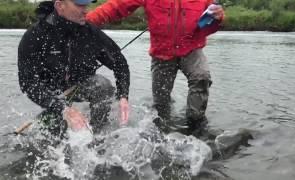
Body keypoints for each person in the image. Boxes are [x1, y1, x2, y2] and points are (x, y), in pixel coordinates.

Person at [85, 0, 224, 137]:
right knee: (160, 106)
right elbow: (117, 6)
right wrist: (85, 21)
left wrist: (218, 19)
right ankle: (163, 131)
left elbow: (208, 27)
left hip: (192, 49)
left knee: (201, 76)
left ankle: (195, 123)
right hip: (162, 54)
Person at [18, 0, 130, 137]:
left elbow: (120, 63)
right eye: (80, 5)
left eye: (86, 5)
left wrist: (123, 96)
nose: (86, 10)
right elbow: (27, 83)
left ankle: (97, 135)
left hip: (79, 85)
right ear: (60, 6)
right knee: (53, 138)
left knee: (103, 85)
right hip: (51, 93)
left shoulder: (91, 32)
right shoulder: (35, 36)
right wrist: (63, 108)